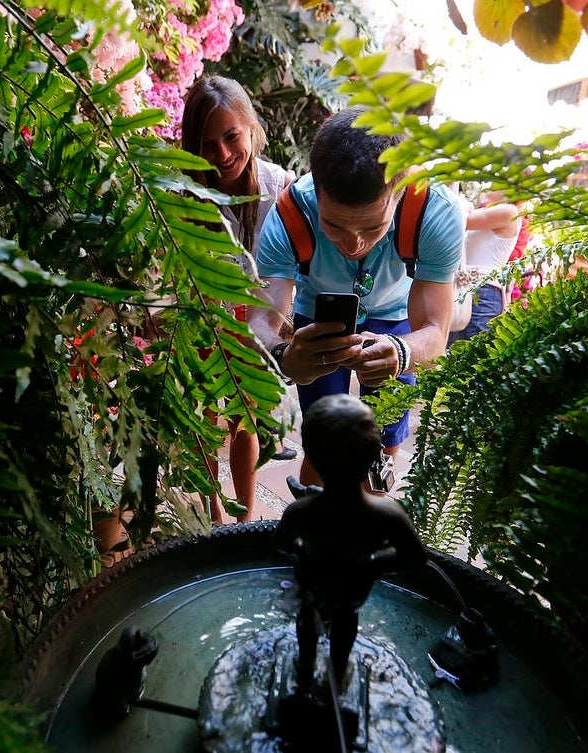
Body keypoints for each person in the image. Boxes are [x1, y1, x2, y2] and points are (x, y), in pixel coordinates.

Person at [249, 107, 465, 488]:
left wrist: (403, 352)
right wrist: (284, 356)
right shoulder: (290, 213)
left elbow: (435, 331)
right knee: (321, 444)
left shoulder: (435, 212)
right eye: (333, 225)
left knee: (380, 446)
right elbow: (261, 319)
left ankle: (368, 526)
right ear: (316, 190)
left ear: (399, 195)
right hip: (317, 316)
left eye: (371, 226)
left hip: (396, 318)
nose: (353, 243)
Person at [180, 75, 295, 523]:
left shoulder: (279, 189)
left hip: (257, 327)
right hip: (205, 318)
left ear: (250, 127)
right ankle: (213, 512)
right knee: (206, 419)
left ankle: (244, 520)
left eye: (231, 137)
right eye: (209, 144)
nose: (223, 155)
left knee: (245, 420)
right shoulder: (186, 192)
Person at [274, 394, 428, 690]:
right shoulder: (387, 514)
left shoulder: (302, 511)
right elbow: (415, 557)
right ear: (374, 456)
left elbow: (281, 543)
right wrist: (370, 565)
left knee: (308, 621)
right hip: (353, 588)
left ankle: (305, 669)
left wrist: (304, 554)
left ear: (313, 456)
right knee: (345, 622)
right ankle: (339, 674)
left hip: (314, 582)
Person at [446, 190, 523, 347]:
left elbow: (460, 219)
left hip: (483, 293)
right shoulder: (492, 212)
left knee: (472, 356)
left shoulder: (509, 211)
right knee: (454, 356)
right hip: (466, 289)